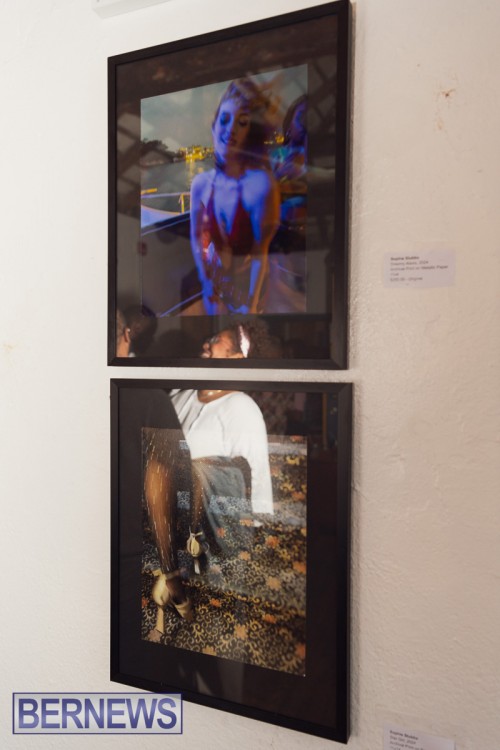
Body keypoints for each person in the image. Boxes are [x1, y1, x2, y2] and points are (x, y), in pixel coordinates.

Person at [144, 320, 276, 634]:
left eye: (216, 340)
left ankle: (173, 579)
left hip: (210, 524)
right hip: (163, 512)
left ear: (236, 359)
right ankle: (171, 579)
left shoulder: (241, 408)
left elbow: (256, 476)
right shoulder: (180, 395)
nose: (206, 342)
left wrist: (254, 540)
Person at [190, 78, 280, 315]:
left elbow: (260, 253)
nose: (230, 129)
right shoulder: (200, 184)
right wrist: (205, 281)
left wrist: (251, 306)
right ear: (214, 126)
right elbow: (195, 237)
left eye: (242, 123)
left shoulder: (260, 186)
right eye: (225, 119)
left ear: (249, 134)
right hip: (216, 282)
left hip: (248, 288)